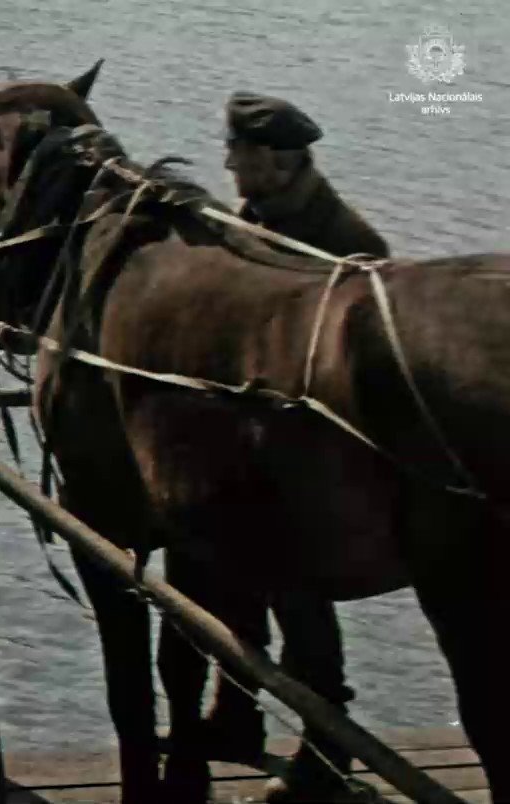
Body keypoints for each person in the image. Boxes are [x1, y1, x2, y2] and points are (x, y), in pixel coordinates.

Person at [196, 90, 382, 801]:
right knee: (230, 579)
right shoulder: (255, 217)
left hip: (315, 459)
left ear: (277, 163)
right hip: (249, 443)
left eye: (237, 154)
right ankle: (235, 714)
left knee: (300, 599)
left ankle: (327, 755)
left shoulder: (345, 244)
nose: (228, 165)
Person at [225, 90, 389, 259]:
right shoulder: (254, 212)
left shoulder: (356, 244)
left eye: (238, 155)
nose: (228, 165)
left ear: (281, 165)